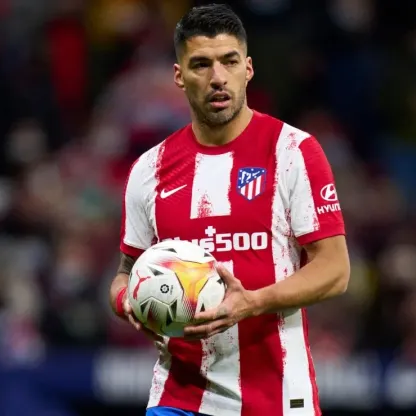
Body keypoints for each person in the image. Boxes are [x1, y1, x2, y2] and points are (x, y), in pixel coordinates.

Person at [109, 4, 350, 416]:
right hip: (178, 398)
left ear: (248, 69)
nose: (217, 77)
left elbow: (335, 270)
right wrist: (127, 301)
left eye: (229, 62)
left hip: (277, 399)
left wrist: (253, 302)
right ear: (179, 76)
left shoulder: (293, 152)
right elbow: (124, 274)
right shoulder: (149, 169)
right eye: (201, 64)